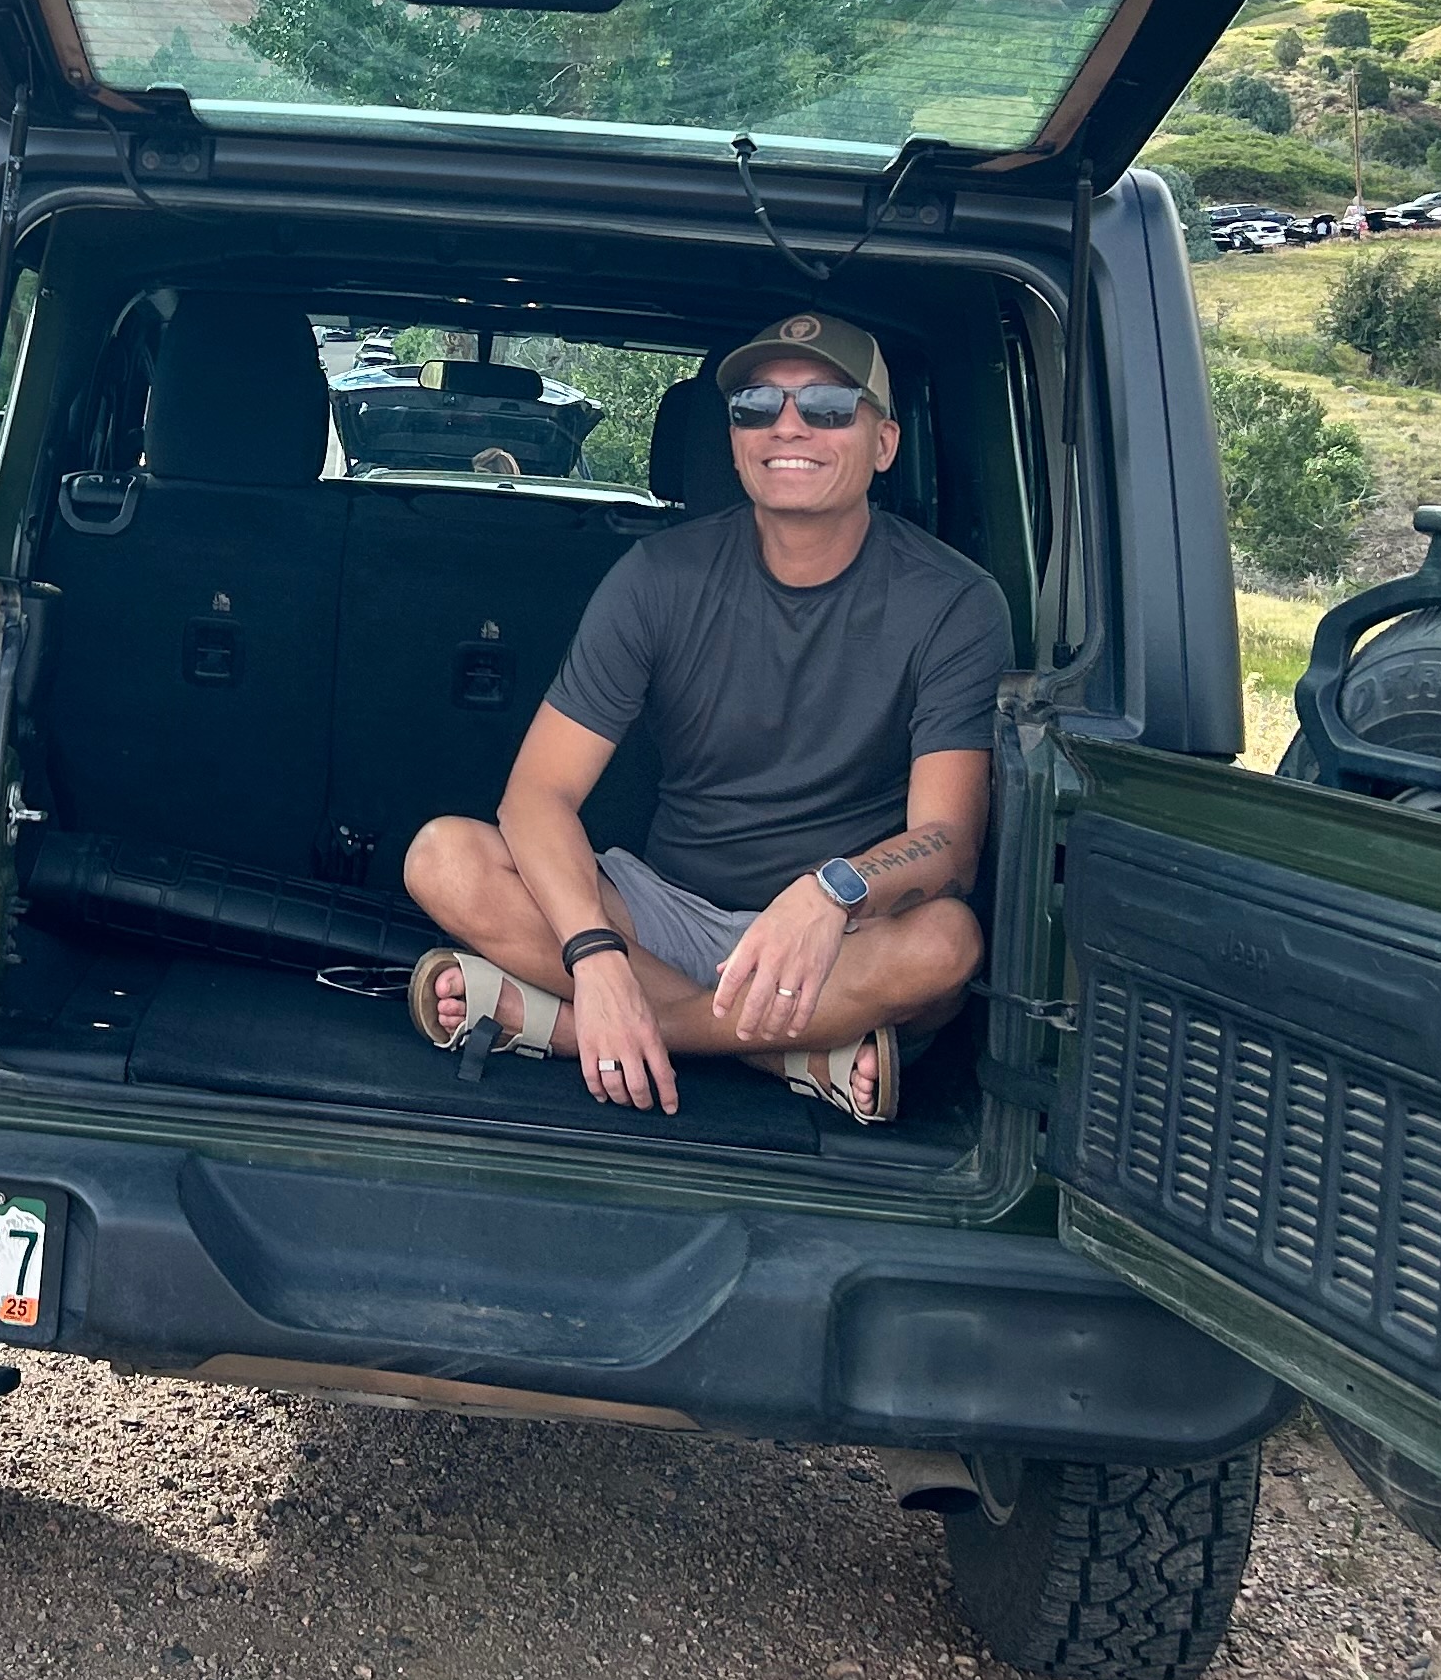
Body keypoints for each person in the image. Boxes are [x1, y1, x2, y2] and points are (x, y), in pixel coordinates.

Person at [399, 311, 1013, 1122]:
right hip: (663, 914)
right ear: (733, 440)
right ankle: (783, 1054)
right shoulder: (658, 576)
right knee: (445, 856)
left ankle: (573, 1032)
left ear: (884, 443)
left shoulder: (956, 601)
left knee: (947, 945)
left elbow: (951, 847)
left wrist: (831, 893)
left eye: (827, 406)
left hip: (835, 941)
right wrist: (597, 954)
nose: (787, 426)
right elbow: (535, 797)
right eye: (756, 406)